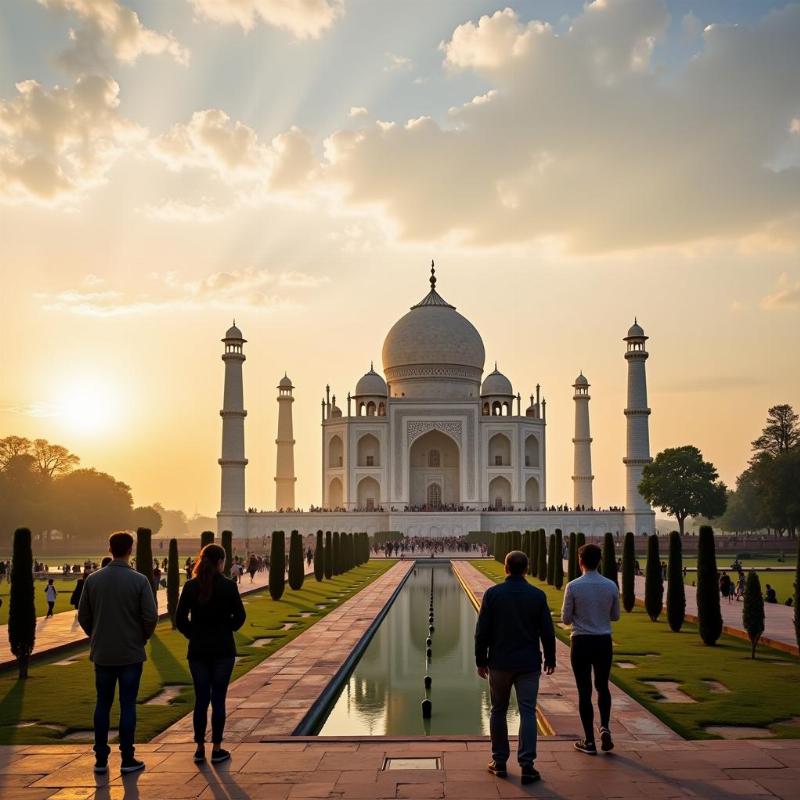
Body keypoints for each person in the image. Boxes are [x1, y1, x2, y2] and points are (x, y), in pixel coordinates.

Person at [78, 531, 158, 775]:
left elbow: (83, 616)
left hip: (103, 654)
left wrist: (97, 636)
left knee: (102, 704)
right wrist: (140, 638)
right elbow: (150, 617)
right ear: (130, 549)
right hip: (130, 653)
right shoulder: (139, 580)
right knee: (127, 705)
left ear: (109, 549)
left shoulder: (94, 580)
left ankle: (101, 760)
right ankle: (127, 758)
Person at [475, 550, 556, 785]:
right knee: (528, 711)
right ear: (526, 569)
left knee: (498, 710)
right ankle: (527, 765)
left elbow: (482, 632)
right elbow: (547, 631)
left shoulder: (493, 594)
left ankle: (499, 762)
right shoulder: (537, 595)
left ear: (505, 568)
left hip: (500, 662)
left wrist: (481, 660)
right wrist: (550, 658)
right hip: (528, 663)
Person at [176, 544, 246, 765]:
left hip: (198, 650)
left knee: (201, 700)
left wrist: (194, 634)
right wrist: (227, 628)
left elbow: (179, 619)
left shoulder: (190, 586)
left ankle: (199, 749)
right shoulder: (228, 586)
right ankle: (216, 749)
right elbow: (240, 617)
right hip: (223, 650)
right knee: (218, 699)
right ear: (220, 562)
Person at [561, 543, 621, 755]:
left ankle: (589, 741)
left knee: (584, 691)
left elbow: (566, 619)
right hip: (603, 641)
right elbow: (615, 616)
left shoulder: (574, 586)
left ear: (580, 561)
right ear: (600, 561)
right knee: (602, 686)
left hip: (581, 642)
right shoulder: (611, 585)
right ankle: (604, 727)